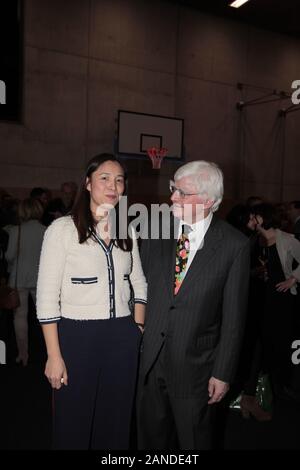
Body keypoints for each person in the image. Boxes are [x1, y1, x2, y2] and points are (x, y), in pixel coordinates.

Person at [36, 153, 147, 450]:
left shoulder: (128, 230)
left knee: (115, 423)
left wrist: (136, 326)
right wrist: (53, 355)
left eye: (119, 180)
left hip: (122, 338)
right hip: (76, 337)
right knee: (73, 423)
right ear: (87, 183)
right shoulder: (61, 230)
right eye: (105, 178)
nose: (113, 185)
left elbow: (139, 282)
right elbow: (47, 297)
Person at [137, 161, 250, 450]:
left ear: (209, 201)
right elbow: (138, 289)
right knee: (151, 441)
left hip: (197, 369)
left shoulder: (234, 245)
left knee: (195, 441)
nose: (172, 197)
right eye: (173, 188)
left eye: (182, 193)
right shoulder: (153, 229)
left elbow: (234, 317)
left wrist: (223, 372)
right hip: (149, 363)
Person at [252, 203, 300, 398]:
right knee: (264, 340)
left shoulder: (287, 239)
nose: (252, 220)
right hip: (262, 296)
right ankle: (267, 382)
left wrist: (293, 278)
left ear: (262, 218)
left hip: (282, 299)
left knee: (281, 339)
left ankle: (282, 383)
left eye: (254, 216)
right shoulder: (256, 240)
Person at [5, 198, 46, 366]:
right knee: (45, 317)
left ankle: (23, 354)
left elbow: (9, 256)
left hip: (20, 278)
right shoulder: (46, 230)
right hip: (41, 279)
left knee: (20, 317)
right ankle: (51, 352)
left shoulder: (17, 230)